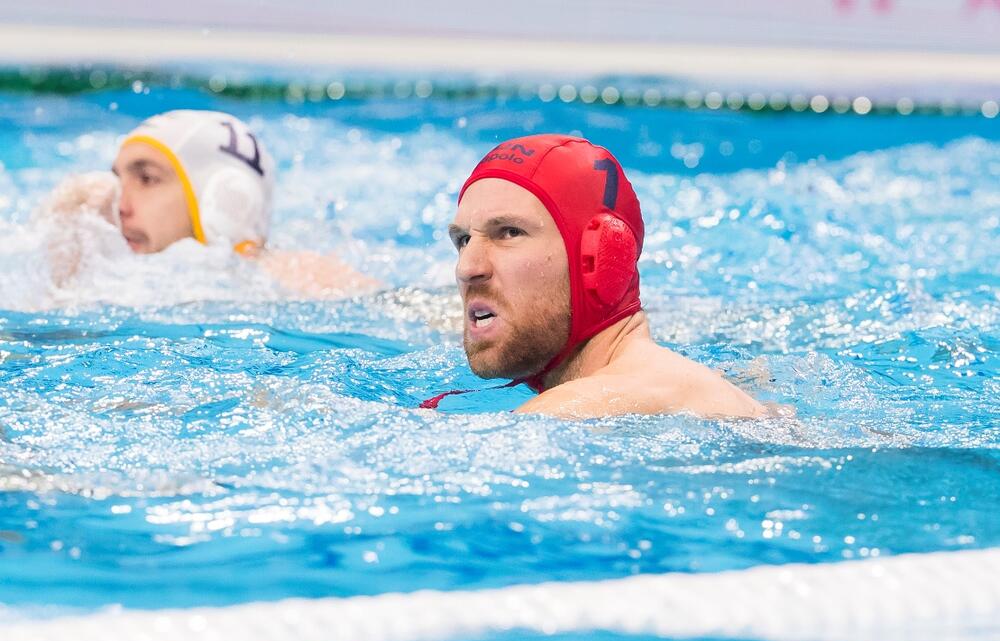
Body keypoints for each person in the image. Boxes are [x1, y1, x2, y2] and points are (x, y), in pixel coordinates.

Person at [442, 134, 770, 419]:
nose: (467, 268)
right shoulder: (703, 385)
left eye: (508, 233)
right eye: (463, 240)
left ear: (600, 257)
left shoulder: (571, 411)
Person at [37, 109, 375, 297]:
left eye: (147, 179)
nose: (120, 206)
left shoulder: (300, 280)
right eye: (118, 180)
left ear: (224, 199)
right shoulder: (121, 283)